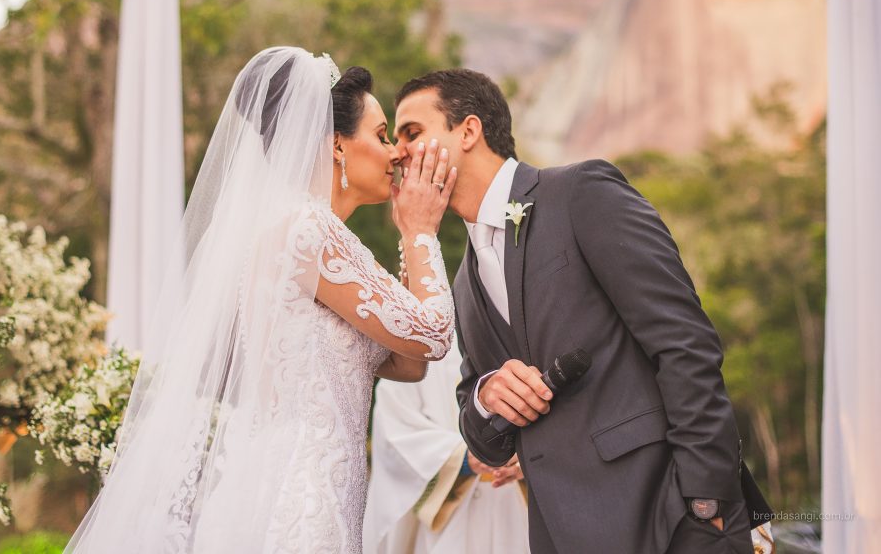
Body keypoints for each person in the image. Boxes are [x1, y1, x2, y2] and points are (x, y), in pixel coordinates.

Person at [66, 47, 458, 553]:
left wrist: (408, 240)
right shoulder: (308, 231)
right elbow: (432, 337)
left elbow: (408, 362)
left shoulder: (296, 234)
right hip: (304, 498)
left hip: (283, 483)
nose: (396, 153)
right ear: (337, 145)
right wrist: (420, 231)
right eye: (382, 136)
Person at [392, 68, 772, 554]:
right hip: (559, 534)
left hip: (666, 517)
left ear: (468, 131)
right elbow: (483, 436)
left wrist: (706, 503)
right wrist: (488, 398)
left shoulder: (579, 193)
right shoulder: (463, 283)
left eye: (412, 133)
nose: (399, 152)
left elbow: (684, 342)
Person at [364, 338, 530, 554]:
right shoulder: (418, 347)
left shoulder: (521, 339)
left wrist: (529, 458)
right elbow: (393, 434)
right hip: (449, 528)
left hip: (517, 514)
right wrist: (462, 458)